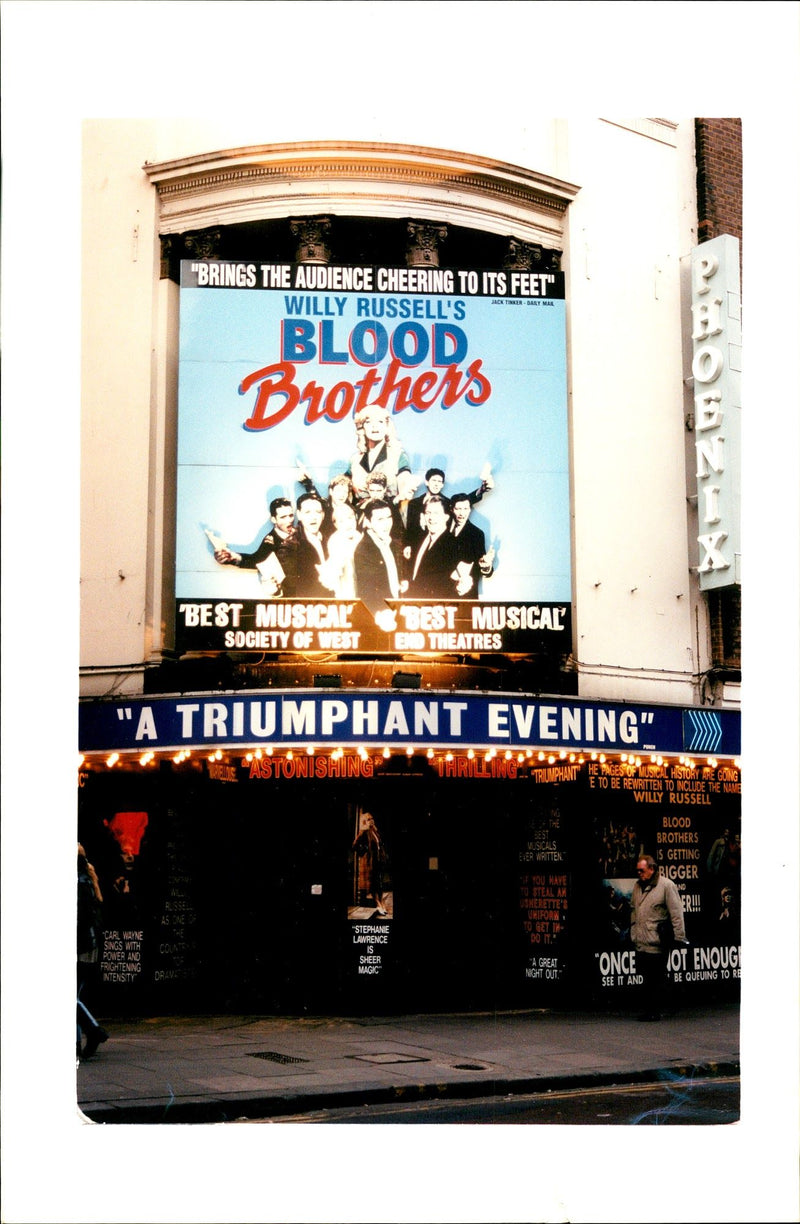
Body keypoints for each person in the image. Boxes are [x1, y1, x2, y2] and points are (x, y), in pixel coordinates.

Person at [630, 854, 687, 1021]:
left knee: (655, 977)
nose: (639, 873)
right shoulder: (637, 886)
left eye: (642, 870)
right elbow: (634, 910)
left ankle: (653, 1011)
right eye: (638, 871)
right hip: (641, 940)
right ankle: (658, 1007)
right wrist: (634, 933)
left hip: (657, 940)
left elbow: (676, 913)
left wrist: (679, 937)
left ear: (652, 869)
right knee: (649, 977)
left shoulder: (666, 886)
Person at [213, 496, 296, 595]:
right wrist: (233, 558)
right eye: (283, 517)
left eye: (291, 515)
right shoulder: (271, 540)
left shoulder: (301, 529)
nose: (289, 520)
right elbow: (256, 559)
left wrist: (310, 487)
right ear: (274, 519)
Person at [353, 498, 408, 628]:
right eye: (380, 519)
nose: (386, 524)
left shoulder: (394, 544)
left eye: (388, 517)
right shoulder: (363, 549)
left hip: (397, 610)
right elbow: (367, 590)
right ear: (368, 522)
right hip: (380, 619)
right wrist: (382, 614)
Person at [77, 845, 109, 1060]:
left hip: (80, 946)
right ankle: (77, 1042)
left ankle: (93, 1031)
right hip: (88, 944)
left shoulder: (78, 882)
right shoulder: (87, 880)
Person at [408, 497, 473, 599]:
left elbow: (461, 584)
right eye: (428, 513)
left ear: (446, 517)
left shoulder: (455, 545)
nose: (431, 518)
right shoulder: (417, 540)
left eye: (436, 513)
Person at [347, 405, 411, 500]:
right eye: (368, 422)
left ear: (387, 426)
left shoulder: (397, 455)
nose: (374, 426)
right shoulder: (355, 459)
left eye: (380, 421)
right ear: (362, 428)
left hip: (388, 511)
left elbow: (405, 485)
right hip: (360, 512)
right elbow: (343, 486)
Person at [280, 492, 331, 597]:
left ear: (323, 515)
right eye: (307, 512)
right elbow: (289, 589)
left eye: (317, 512)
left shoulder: (330, 542)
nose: (313, 517)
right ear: (299, 515)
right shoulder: (290, 546)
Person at [448, 492, 495, 587]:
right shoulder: (440, 528)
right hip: (439, 590)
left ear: (470, 509)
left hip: (465, 591)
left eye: (465, 509)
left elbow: (481, 564)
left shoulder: (477, 534)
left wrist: (486, 567)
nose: (462, 513)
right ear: (452, 509)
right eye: (458, 509)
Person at [317, 501, 362, 599]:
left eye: (350, 518)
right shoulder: (335, 541)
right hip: (345, 588)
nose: (348, 523)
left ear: (355, 518)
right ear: (335, 525)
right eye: (341, 521)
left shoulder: (358, 536)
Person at [352, 811, 391, 916]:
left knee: (380, 885)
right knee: (373, 886)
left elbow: (380, 846)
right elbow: (354, 845)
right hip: (371, 863)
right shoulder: (364, 831)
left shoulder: (375, 831)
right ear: (365, 821)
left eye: (372, 818)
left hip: (379, 862)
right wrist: (364, 852)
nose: (371, 821)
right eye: (369, 819)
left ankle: (381, 903)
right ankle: (378, 905)